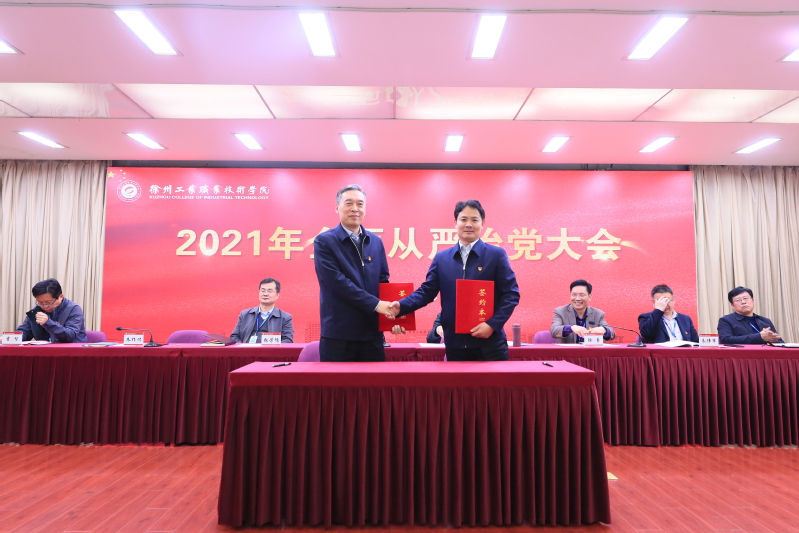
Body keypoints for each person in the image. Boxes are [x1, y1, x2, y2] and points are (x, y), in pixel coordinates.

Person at [390, 200, 520, 361]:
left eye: (474, 219)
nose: (468, 224)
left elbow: (511, 294)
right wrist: (401, 306)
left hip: (490, 344)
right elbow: (426, 292)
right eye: (463, 219)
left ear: (482, 223)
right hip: (455, 345)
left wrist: (492, 324)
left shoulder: (496, 255)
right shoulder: (442, 258)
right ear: (455, 222)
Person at [314, 184, 394, 361]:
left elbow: (383, 281)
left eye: (360, 204)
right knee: (337, 380)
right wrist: (377, 305)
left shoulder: (375, 241)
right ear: (337, 208)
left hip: (372, 334)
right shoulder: (324, 241)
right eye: (349, 203)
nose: (355, 209)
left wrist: (394, 317)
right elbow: (337, 283)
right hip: (338, 334)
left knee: (375, 380)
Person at [17, 278, 87, 343]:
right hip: (45, 350)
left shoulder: (73, 309)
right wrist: (15, 338)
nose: (44, 306)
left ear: (61, 297)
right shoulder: (37, 311)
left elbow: (70, 336)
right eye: (40, 302)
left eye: (48, 302)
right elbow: (26, 331)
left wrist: (48, 323)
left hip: (71, 350)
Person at [230, 278, 294, 343]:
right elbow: (234, 337)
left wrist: (273, 348)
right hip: (246, 349)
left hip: (271, 349)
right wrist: (243, 347)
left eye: (269, 291)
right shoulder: (245, 314)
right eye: (263, 291)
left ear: (277, 295)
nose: (265, 294)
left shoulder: (285, 318)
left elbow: (287, 340)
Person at [550, 279, 615, 344]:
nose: (577, 298)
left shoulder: (598, 314)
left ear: (590, 297)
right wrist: (571, 328)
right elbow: (554, 331)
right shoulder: (560, 311)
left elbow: (612, 334)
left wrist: (604, 330)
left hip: (590, 350)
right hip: (568, 350)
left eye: (582, 295)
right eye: (574, 295)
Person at [717, 286, 782, 344]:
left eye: (745, 298)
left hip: (766, 353)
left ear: (752, 300)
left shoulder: (765, 321)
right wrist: (759, 337)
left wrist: (772, 339)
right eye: (738, 300)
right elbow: (726, 340)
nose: (743, 302)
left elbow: (779, 342)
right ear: (732, 305)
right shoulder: (726, 320)